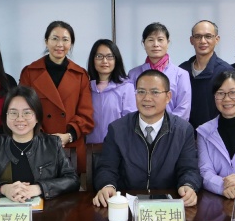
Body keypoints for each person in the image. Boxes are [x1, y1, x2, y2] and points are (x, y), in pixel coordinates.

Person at [93, 69, 202, 208]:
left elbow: (189, 169)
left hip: (167, 206)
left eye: (155, 92)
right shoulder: (117, 129)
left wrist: (188, 185)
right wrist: (107, 185)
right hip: (126, 205)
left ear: (168, 97)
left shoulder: (183, 130)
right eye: (141, 91)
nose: (147, 98)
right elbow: (106, 168)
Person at [0, 86, 79, 200]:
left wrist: (40, 188)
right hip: (6, 210)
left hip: (45, 210)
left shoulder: (53, 144)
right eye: (13, 113)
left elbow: (73, 180)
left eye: (27, 113)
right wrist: (3, 188)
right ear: (5, 116)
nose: (20, 119)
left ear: (37, 117)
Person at [19, 20, 94, 171]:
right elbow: (23, 111)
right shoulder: (30, 72)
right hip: (37, 146)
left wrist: (69, 135)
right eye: (54, 38)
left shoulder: (80, 75)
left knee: (71, 185)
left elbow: (86, 115)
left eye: (65, 39)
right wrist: (42, 138)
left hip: (70, 146)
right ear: (46, 41)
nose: (60, 44)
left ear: (71, 44)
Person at [127, 22, 191, 121]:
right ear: (144, 44)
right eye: (150, 40)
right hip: (140, 128)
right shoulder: (133, 74)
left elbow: (183, 109)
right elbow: (130, 106)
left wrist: (164, 126)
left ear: (168, 43)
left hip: (173, 128)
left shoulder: (181, 75)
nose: (156, 44)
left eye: (160, 40)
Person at [179, 20, 233, 129]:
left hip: (214, 134)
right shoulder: (182, 70)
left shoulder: (226, 72)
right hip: (184, 134)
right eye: (198, 36)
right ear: (191, 40)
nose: (203, 41)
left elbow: (231, 108)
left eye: (208, 36)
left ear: (217, 39)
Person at [86, 39, 136, 144]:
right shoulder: (86, 87)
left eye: (109, 56)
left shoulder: (126, 87)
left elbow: (131, 122)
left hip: (117, 148)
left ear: (116, 60)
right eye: (99, 56)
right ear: (93, 59)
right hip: (90, 147)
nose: (104, 61)